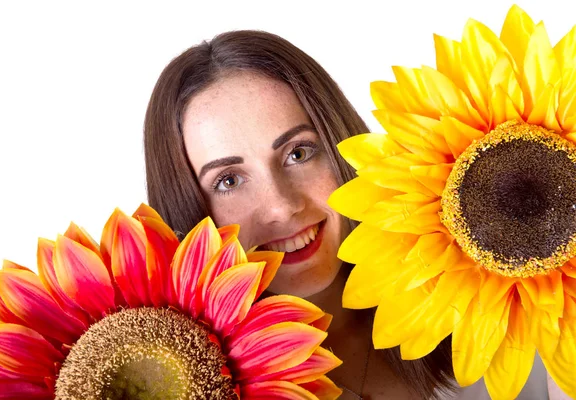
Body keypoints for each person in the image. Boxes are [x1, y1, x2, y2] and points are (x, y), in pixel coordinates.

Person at [143, 30, 554, 399]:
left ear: (344, 147)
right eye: (229, 181)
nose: (283, 206)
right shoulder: (189, 386)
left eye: (298, 153)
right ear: (190, 209)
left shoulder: (506, 296)